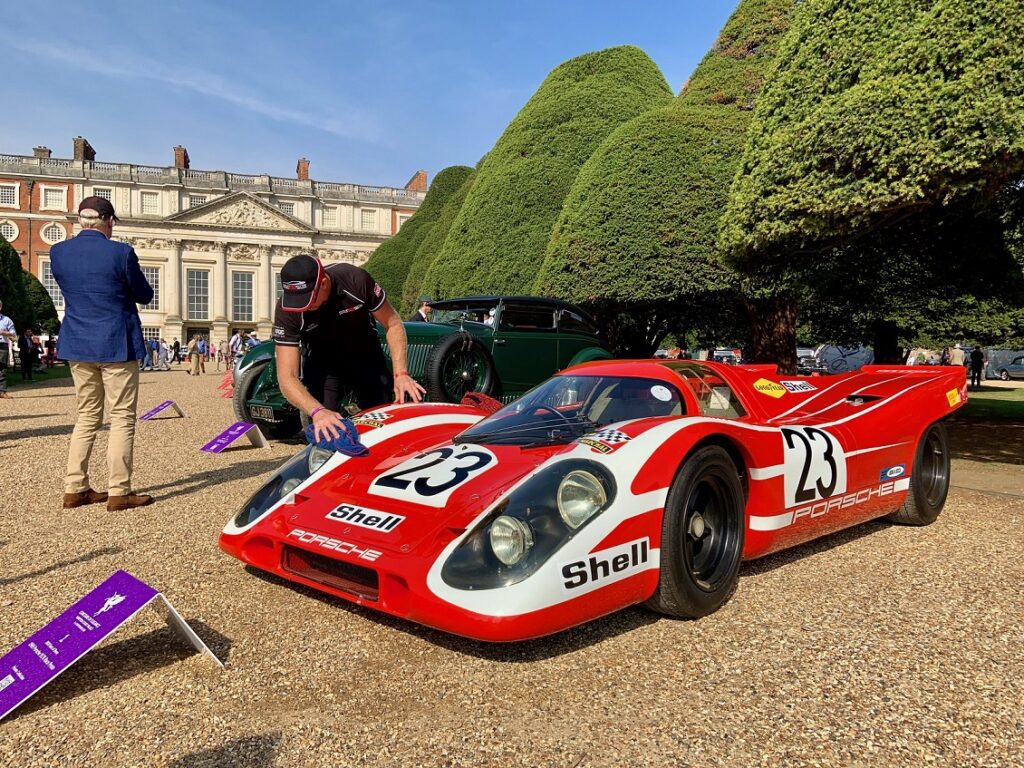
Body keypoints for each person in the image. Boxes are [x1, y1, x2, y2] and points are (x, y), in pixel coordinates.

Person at [49, 195, 154, 511]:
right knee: (121, 416)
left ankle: (75, 488)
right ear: (108, 221)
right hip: (115, 342)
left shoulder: (58, 252)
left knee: (86, 415)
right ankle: (119, 491)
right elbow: (144, 294)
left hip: (78, 342)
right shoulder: (120, 252)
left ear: (81, 220)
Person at [272, 254, 425, 441]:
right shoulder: (287, 310)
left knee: (382, 416)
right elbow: (287, 377)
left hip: (363, 351)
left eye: (307, 299)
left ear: (323, 284)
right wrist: (317, 411)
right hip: (322, 360)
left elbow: (392, 323)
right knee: (325, 429)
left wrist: (401, 374)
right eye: (296, 300)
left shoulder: (354, 279)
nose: (302, 306)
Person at [0, 301, 14, 399]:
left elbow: (13, 334)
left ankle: (2, 391)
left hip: (2, 345)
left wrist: (3, 332)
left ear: (0, 307)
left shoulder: (7, 320)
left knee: (2, 369)